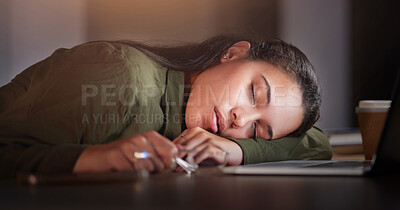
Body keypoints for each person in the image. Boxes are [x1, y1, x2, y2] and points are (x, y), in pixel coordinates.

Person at [0, 35, 332, 179]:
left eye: (258, 131)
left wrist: (238, 152)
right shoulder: (121, 75)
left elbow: (317, 144)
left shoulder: (194, 127)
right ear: (233, 53)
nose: (240, 120)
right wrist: (95, 158)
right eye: (254, 93)